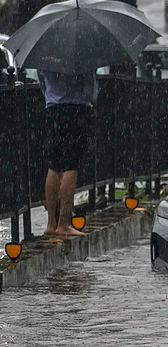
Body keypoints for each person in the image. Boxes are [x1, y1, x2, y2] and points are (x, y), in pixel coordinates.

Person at [38, 69, 97, 237]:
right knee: (71, 165)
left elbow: (42, 84)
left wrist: (53, 96)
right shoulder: (83, 56)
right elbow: (89, 92)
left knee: (54, 165)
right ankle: (64, 222)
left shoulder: (45, 54)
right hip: (77, 111)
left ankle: (51, 223)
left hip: (53, 110)